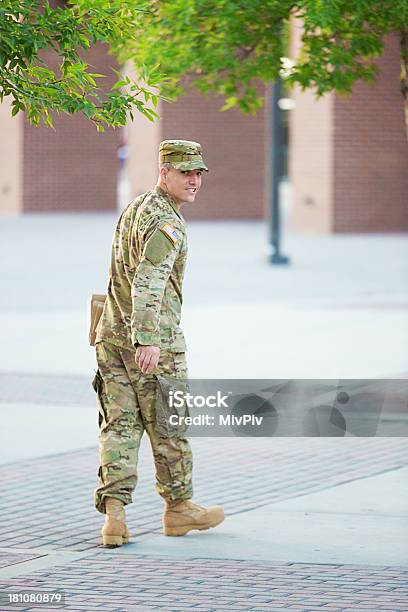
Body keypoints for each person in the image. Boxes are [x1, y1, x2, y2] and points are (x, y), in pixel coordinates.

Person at [93, 139, 225, 546]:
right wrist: (148, 341)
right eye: (185, 172)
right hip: (150, 343)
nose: (194, 180)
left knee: (119, 426)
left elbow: (120, 274)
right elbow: (148, 282)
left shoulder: (135, 207)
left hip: (110, 336)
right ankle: (180, 508)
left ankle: (114, 517)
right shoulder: (166, 222)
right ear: (163, 172)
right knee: (169, 425)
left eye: (199, 172)